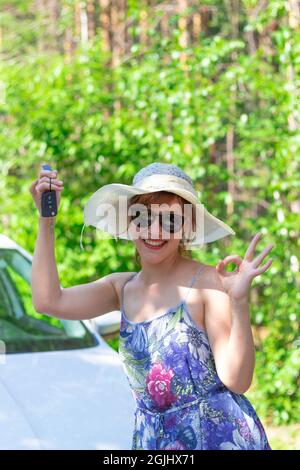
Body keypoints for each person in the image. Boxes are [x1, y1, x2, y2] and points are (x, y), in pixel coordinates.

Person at [30, 162, 273, 450]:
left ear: (188, 226)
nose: (154, 230)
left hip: (217, 439)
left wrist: (239, 302)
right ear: (128, 222)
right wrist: (47, 220)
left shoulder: (208, 282)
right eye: (142, 217)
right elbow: (47, 301)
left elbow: (238, 379)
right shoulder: (121, 288)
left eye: (170, 220)